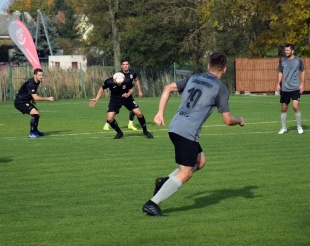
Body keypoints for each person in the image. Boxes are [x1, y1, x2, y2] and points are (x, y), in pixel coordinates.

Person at [142, 52, 245, 216]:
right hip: (187, 131)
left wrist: (160, 113)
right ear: (224, 69)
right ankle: (152, 203)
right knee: (186, 172)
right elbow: (227, 120)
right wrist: (239, 120)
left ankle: (165, 181)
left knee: (200, 161)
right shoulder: (220, 88)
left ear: (208, 66)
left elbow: (167, 88)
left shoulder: (193, 78)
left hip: (176, 126)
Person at [89, 72, 153, 139]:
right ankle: (119, 133)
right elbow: (102, 88)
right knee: (110, 119)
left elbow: (132, 89)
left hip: (127, 99)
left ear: (124, 79)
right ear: (114, 79)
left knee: (139, 113)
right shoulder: (109, 81)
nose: (119, 84)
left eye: (121, 82)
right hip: (115, 100)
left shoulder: (127, 80)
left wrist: (128, 94)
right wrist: (97, 98)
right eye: (118, 83)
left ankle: (145, 131)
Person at [103, 59, 143, 131]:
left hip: (128, 94)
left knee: (134, 110)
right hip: (119, 96)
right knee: (113, 112)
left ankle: (130, 124)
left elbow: (136, 80)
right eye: (124, 65)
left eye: (126, 64)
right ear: (121, 66)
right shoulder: (119, 75)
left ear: (129, 65)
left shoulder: (132, 73)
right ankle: (107, 123)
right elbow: (113, 83)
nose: (125, 66)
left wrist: (140, 91)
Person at [14, 68, 54, 138]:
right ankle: (32, 133)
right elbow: (36, 97)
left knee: (38, 114)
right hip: (20, 102)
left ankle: (35, 130)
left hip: (25, 101)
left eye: (42, 75)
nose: (41, 77)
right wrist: (48, 98)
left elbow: (32, 93)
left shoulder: (37, 81)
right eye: (39, 75)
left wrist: (32, 98)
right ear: (34, 75)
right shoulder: (31, 83)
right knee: (35, 113)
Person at [276, 44, 305, 134]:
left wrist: (302, 84)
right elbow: (280, 72)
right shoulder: (283, 61)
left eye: (288, 50)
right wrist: (278, 84)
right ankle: (284, 128)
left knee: (295, 106)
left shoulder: (298, 60)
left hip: (295, 87)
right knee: (284, 108)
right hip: (285, 88)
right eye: (285, 50)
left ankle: (299, 127)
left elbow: (303, 71)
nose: (286, 52)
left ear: (292, 51)